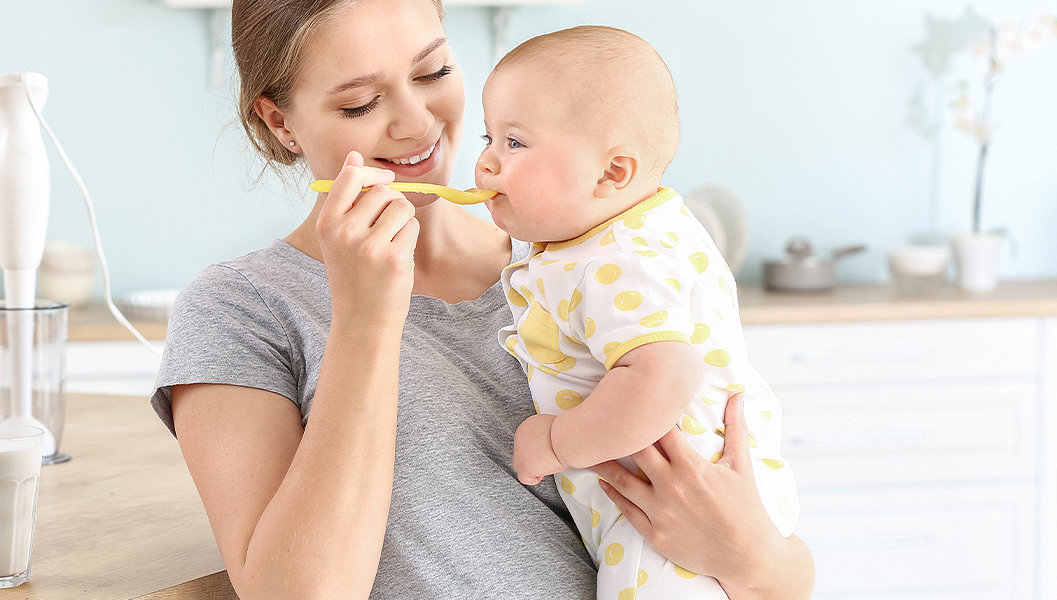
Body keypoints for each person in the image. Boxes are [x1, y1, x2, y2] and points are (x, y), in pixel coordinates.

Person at [150, 1, 815, 598]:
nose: (416, 123)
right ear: (280, 121)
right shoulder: (242, 308)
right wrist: (365, 317)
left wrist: (751, 555)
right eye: (359, 104)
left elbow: (783, 574)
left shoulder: (588, 265)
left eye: (433, 71)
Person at [476, 26, 800, 599]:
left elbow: (665, 377)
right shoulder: (630, 228)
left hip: (672, 506)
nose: (486, 164)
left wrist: (555, 441)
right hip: (701, 501)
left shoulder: (620, 260)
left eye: (515, 143)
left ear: (612, 174)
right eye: (489, 139)